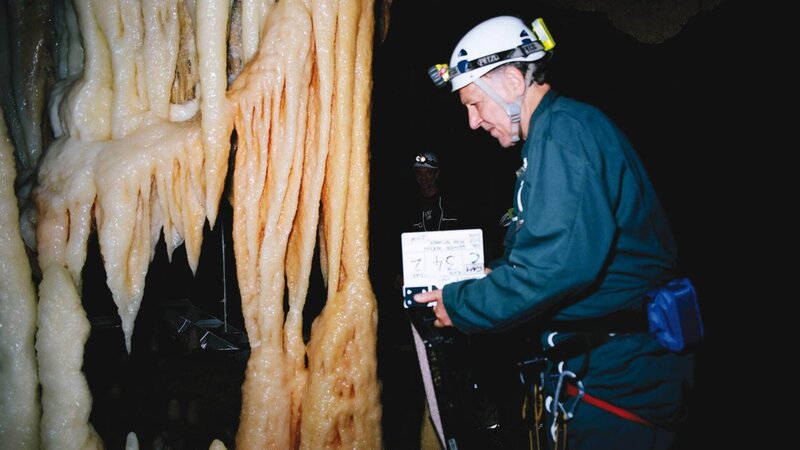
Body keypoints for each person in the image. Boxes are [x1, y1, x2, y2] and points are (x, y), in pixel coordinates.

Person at [415, 15, 696, 450]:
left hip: (618, 381)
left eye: (475, 103)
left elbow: (556, 266)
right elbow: (539, 253)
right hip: (594, 370)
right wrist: (491, 275)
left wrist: (462, 304)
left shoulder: (564, 133)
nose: (472, 121)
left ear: (512, 81)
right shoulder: (549, 138)